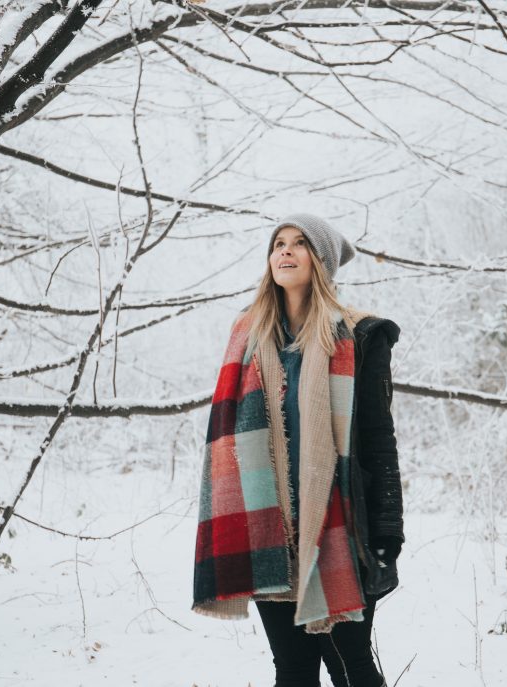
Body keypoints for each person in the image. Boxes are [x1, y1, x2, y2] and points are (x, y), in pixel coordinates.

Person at [193, 213, 404, 687]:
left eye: (300, 243)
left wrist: (389, 536)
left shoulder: (361, 336)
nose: (285, 251)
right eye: (278, 243)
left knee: (351, 667)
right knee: (292, 669)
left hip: (340, 529)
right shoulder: (247, 338)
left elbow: (377, 439)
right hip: (268, 531)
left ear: (322, 260)